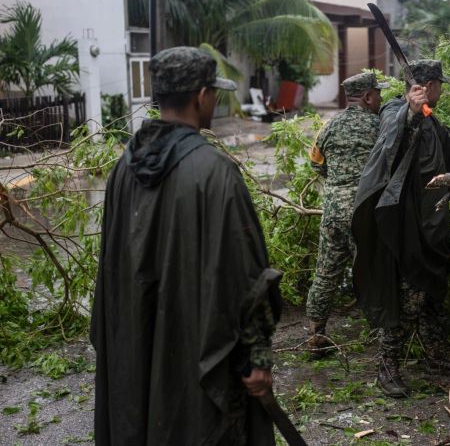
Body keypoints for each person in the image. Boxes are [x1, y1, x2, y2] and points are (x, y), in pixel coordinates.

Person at [91, 46, 282, 445]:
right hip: (199, 356)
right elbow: (247, 279)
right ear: (201, 97)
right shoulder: (216, 174)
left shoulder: (121, 170)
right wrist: (257, 359)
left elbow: (111, 273)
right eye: (214, 92)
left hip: (139, 349)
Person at [351, 60, 450, 398]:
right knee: (409, 296)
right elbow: (390, 140)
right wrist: (408, 113)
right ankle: (387, 366)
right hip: (405, 222)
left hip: (431, 221)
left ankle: (435, 357)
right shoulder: (397, 109)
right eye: (440, 84)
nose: (442, 90)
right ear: (429, 85)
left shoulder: (428, 116)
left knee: (430, 290)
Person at [305, 72, 387, 354]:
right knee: (372, 273)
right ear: (367, 97)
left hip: (332, 211)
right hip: (362, 213)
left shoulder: (329, 125)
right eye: (378, 93)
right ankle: (383, 339)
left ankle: (316, 335)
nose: (381, 98)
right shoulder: (379, 126)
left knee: (325, 273)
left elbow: (316, 164)